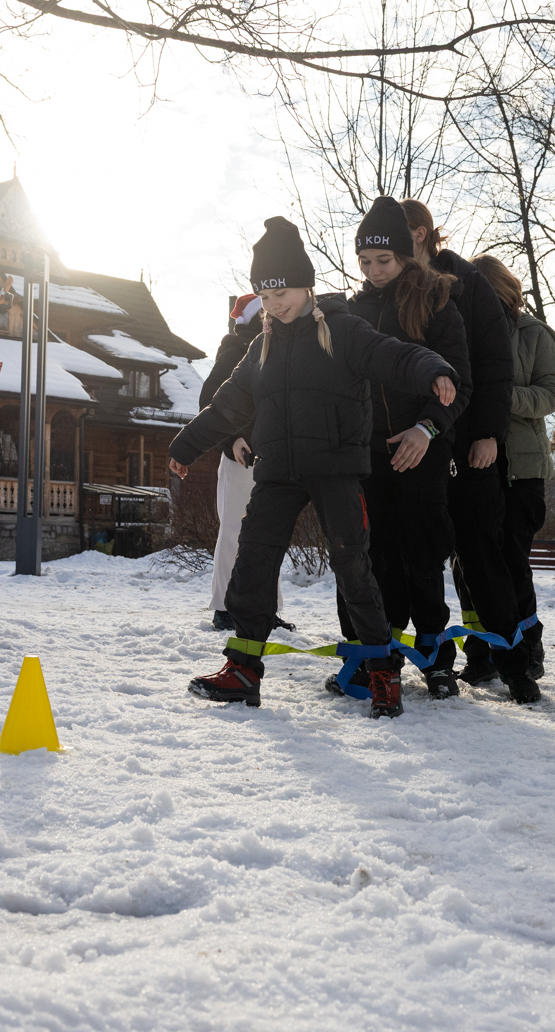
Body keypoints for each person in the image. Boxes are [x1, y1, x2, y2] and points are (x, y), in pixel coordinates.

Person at [168, 216, 458, 718]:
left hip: (336, 470)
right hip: (277, 471)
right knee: (253, 563)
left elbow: (391, 356)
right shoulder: (261, 348)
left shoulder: (342, 330)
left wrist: (433, 369)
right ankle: (242, 670)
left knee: (353, 566)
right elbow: (228, 405)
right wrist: (186, 445)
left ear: (306, 285)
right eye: (265, 292)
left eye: (283, 290)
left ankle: (382, 673)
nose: (275, 302)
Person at [399, 198, 539, 703]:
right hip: (418, 446)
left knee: (483, 552)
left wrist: (490, 435)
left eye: (400, 233)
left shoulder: (464, 281)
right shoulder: (391, 284)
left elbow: (495, 363)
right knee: (420, 552)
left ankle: (516, 664)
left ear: (419, 233)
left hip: (471, 443)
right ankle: (432, 662)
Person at [337, 196, 472, 700]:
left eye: (384, 261)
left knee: (421, 555)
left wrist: (426, 429)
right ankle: (377, 657)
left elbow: (461, 385)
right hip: (368, 454)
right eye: (365, 263)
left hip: (423, 451)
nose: (374, 272)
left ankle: (437, 661)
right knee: (375, 560)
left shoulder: (439, 304)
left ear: (407, 254)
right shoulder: (352, 312)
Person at [456, 255, 555, 681]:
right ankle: (480, 652)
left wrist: (500, 397)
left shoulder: (533, 334)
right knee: (468, 564)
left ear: (501, 290)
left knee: (511, 562)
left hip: (521, 468)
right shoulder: (460, 329)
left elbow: (550, 395)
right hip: (470, 463)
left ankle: (526, 647)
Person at [200, 294, 290, 634]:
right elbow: (209, 401)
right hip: (241, 457)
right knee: (235, 531)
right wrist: (233, 438)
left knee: (269, 535)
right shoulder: (236, 350)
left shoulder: (281, 350)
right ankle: (223, 606)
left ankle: (267, 607)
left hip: (274, 457)